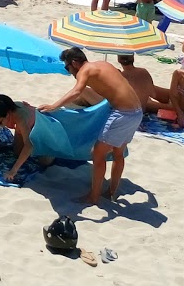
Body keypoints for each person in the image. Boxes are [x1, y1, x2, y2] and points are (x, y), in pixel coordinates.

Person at [41, 47, 144, 205]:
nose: (69, 72)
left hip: (123, 114)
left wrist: (53, 106)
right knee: (118, 153)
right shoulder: (104, 65)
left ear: (75, 63)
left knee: (97, 153)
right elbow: (116, 85)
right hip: (137, 112)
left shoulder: (85, 70)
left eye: (67, 67)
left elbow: (77, 91)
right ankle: (111, 192)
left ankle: (93, 197)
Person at [0, 94, 40, 181]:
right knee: (17, 153)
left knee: (45, 162)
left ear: (7, 116)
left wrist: (13, 171)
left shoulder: (19, 117)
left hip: (39, 126)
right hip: (22, 128)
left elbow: (29, 145)